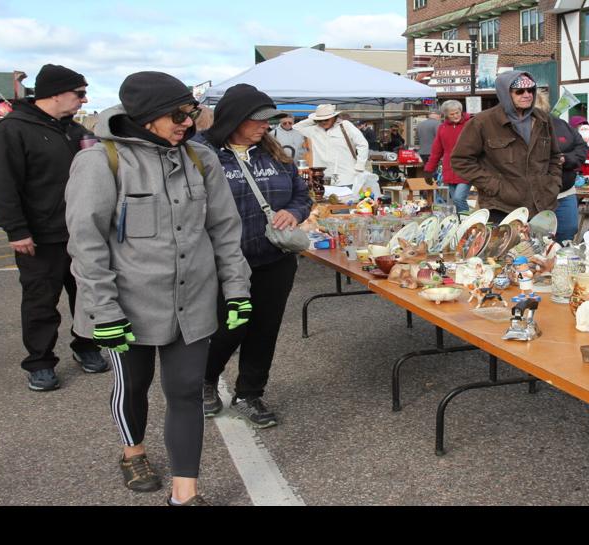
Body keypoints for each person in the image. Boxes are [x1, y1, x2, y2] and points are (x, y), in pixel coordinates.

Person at [64, 71, 252, 506]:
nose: (188, 122)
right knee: (132, 385)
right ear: (147, 116)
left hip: (193, 300)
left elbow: (225, 229)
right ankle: (133, 453)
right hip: (127, 305)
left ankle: (185, 494)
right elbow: (86, 243)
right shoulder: (101, 161)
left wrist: (237, 289)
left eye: (191, 112)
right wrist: (102, 311)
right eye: (179, 114)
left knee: (186, 389)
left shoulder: (201, 159)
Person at [192, 84, 309, 429]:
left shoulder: (274, 152)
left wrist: (293, 212)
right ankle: (205, 380)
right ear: (235, 118)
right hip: (223, 263)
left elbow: (302, 195)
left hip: (274, 259)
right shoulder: (199, 152)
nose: (266, 126)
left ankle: (250, 393)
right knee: (230, 328)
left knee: (264, 329)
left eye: (270, 120)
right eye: (259, 120)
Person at [0, 63, 106, 391]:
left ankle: (86, 346)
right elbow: (2, 185)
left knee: (86, 295)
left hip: (81, 232)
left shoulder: (75, 131)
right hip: (40, 235)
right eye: (79, 94)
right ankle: (40, 361)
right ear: (55, 93)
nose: (84, 100)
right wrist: (16, 230)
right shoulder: (12, 130)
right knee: (41, 300)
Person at [451, 72, 559, 223]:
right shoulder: (483, 122)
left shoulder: (543, 119)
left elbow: (555, 156)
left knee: (541, 246)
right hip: (501, 207)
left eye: (531, 90)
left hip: (541, 204)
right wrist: (493, 186)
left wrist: (553, 183)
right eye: (519, 91)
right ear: (505, 94)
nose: (527, 95)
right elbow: (460, 160)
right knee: (505, 246)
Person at [536, 88, 587, 242]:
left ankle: (563, 263)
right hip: (536, 195)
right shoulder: (518, 129)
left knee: (568, 230)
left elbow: (581, 148)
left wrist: (566, 159)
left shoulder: (561, 125)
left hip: (564, 192)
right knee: (539, 236)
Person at [293, 104, 372, 191]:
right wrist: (314, 120)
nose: (323, 122)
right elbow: (295, 128)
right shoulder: (313, 129)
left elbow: (362, 144)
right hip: (322, 178)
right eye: (320, 120)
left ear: (334, 117)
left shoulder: (345, 126)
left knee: (348, 202)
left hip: (346, 176)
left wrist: (359, 166)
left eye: (326, 119)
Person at [425, 101, 472, 213]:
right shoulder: (442, 128)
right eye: (452, 114)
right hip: (449, 168)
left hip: (467, 167)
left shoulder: (470, 124)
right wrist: (429, 170)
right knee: (455, 200)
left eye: (457, 112)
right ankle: (462, 223)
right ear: (446, 115)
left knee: (458, 198)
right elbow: (436, 151)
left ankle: (467, 223)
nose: (455, 116)